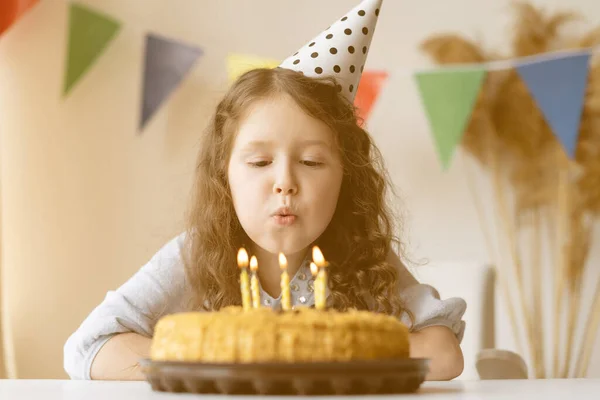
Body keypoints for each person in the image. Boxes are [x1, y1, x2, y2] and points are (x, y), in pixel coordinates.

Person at [63, 0, 466, 382]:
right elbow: (90, 346)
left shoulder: (361, 254)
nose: (284, 182)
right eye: (259, 163)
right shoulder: (196, 253)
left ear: (347, 176)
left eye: (311, 162)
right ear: (225, 176)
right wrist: (216, 356)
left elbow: (445, 354)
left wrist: (327, 353)